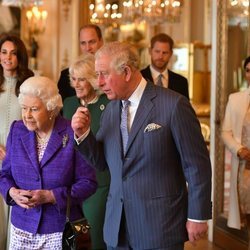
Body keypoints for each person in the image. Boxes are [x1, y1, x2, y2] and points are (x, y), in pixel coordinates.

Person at [71, 41, 212, 250]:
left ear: (126, 72)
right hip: (117, 229)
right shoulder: (110, 110)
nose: (99, 82)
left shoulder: (174, 105)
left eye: (104, 74)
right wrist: (83, 135)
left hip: (160, 227)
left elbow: (197, 165)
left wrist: (198, 216)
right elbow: (101, 163)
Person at [0, 76, 97, 249]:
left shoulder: (71, 131)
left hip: (61, 229)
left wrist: (52, 196)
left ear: (51, 109)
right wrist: (11, 192)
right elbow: (4, 174)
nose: (27, 115)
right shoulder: (17, 129)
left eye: (34, 109)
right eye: (24, 108)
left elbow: (89, 183)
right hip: (21, 228)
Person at [63, 53, 110, 249]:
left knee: (96, 239)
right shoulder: (69, 104)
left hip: (100, 183)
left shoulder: (108, 104)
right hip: (72, 186)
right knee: (76, 238)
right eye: (74, 79)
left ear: (93, 78)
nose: (77, 84)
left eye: (82, 79)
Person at [0, 33, 34, 250]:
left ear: (20, 57)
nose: (7, 57)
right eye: (3, 52)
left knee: (14, 221)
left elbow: (37, 124)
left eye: (13, 53)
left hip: (19, 162)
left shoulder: (29, 86)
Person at [221, 56, 250, 246]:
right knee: (247, 211)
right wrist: (238, 149)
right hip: (246, 167)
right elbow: (226, 132)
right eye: (248, 70)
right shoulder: (236, 98)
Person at [58, 24, 104, 101]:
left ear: (101, 41)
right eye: (83, 43)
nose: (87, 48)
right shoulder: (65, 76)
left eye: (92, 42)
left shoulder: (109, 74)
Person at [141, 33, 189, 99]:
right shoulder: (140, 77)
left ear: (171, 54)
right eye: (157, 51)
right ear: (150, 51)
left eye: (165, 53)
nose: (160, 56)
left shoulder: (181, 82)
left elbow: (184, 108)